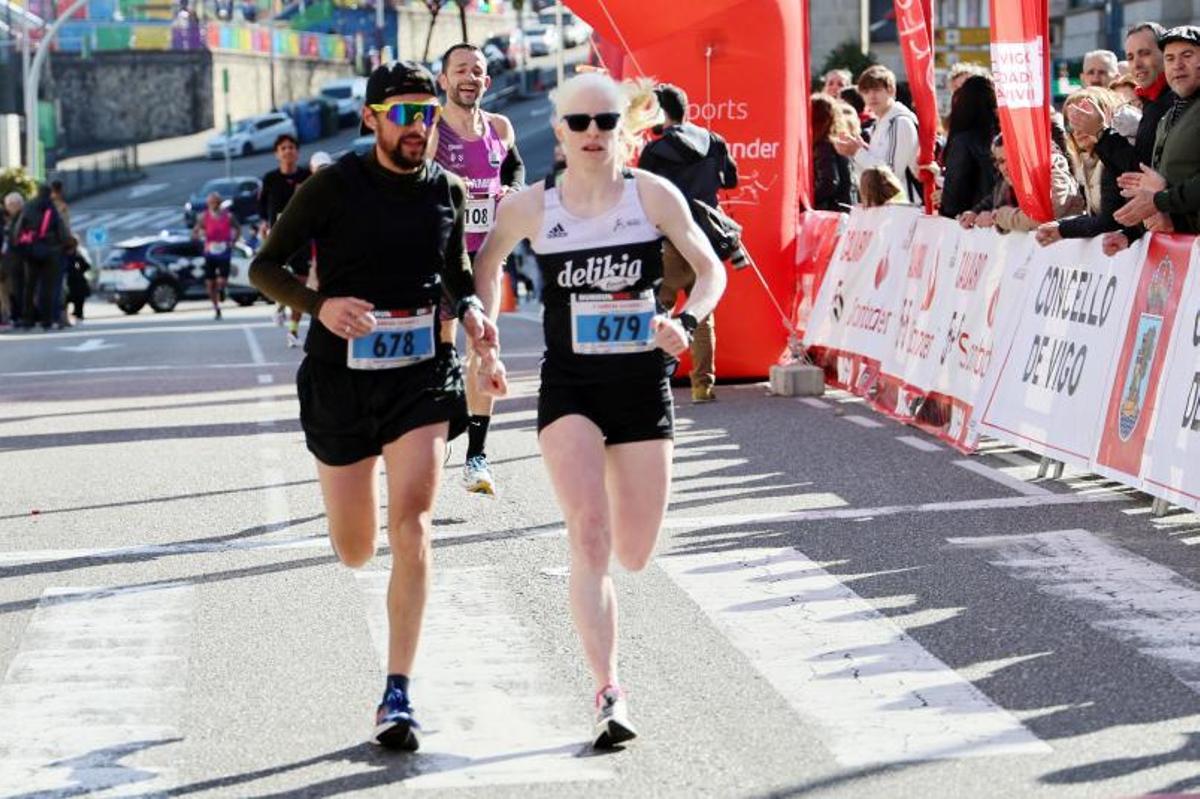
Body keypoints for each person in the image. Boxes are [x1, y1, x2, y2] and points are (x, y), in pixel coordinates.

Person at [249, 60, 504, 752]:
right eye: (404, 113)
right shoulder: (331, 188)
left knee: (413, 523)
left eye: (425, 111)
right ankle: (352, 539)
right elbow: (263, 266)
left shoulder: (446, 189)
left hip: (420, 375)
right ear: (371, 118)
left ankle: (397, 690)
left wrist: (475, 313)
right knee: (358, 546)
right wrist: (319, 305)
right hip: (340, 379)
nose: (418, 125)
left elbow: (456, 274)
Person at [472, 71, 726, 749]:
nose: (591, 134)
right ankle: (609, 689)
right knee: (589, 532)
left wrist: (687, 318)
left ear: (625, 128)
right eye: (578, 123)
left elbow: (710, 268)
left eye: (605, 123)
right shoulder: (533, 206)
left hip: (642, 387)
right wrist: (484, 330)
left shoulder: (651, 196)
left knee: (635, 551)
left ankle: (609, 646)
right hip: (572, 389)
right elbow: (485, 264)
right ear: (558, 132)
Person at [430, 42, 526, 496]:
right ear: (444, 80)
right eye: (460, 70)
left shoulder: (500, 127)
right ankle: (439, 431)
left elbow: (515, 169)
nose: (470, 77)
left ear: (487, 82)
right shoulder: (431, 128)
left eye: (478, 71)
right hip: (438, 260)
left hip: (485, 256)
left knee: (485, 348)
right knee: (441, 359)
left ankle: (477, 458)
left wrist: (509, 190)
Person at [637, 82, 737, 404]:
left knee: (657, 310)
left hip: (668, 241)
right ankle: (702, 387)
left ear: (659, 112)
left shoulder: (653, 152)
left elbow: (641, 197)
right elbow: (731, 180)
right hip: (705, 240)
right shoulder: (713, 141)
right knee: (702, 315)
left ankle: (653, 381)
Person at [1110, 25, 1200, 241]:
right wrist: (1132, 234)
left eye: (1187, 55)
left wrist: (1160, 199)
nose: (1177, 65)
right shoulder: (1166, 118)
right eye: (1169, 58)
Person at [834, 65, 923, 203]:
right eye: (866, 91)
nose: (871, 96)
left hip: (904, 208)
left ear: (891, 91)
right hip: (889, 207)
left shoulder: (900, 122)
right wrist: (860, 151)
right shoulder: (880, 122)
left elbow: (891, 175)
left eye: (877, 89)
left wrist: (858, 152)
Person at [259, 133, 312, 346]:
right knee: (279, 277)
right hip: (277, 237)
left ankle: (293, 330)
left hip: (301, 237)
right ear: (277, 154)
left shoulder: (307, 176)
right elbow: (262, 207)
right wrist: (263, 224)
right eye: (283, 148)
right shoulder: (270, 179)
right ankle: (281, 304)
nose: (288, 151)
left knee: (300, 283)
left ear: (297, 153)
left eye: (291, 147)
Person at [938, 75, 998, 219]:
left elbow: (953, 197)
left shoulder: (962, 141)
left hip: (970, 221)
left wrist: (945, 200)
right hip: (997, 218)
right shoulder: (1002, 137)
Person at [16, 184, 69, 331]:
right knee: (48, 287)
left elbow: (19, 228)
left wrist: (19, 245)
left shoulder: (28, 206)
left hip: (31, 250)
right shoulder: (51, 208)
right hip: (51, 251)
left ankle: (28, 319)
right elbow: (61, 230)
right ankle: (47, 319)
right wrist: (66, 245)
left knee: (29, 286)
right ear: (49, 194)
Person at [193, 191, 240, 320]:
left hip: (224, 251)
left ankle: (222, 290)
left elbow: (238, 229)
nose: (213, 204)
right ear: (208, 204)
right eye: (211, 202)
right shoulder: (203, 217)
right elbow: (195, 231)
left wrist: (233, 241)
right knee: (209, 283)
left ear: (219, 203)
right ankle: (216, 308)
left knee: (222, 280)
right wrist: (199, 236)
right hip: (210, 252)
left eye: (215, 202)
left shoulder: (228, 216)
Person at [811, 94, 852, 211]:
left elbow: (829, 182)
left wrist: (806, 201)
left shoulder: (823, 147)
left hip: (830, 212)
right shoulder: (835, 144)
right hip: (842, 211)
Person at [49, 180, 72, 328]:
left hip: (45, 250)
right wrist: (70, 243)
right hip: (58, 250)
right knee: (59, 285)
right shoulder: (60, 207)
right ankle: (59, 316)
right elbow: (65, 229)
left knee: (50, 285)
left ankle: (54, 316)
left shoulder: (43, 206)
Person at [63, 236, 90, 324]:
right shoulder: (77, 254)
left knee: (67, 300)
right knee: (77, 299)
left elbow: (86, 266)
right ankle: (78, 314)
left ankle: (74, 315)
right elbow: (86, 266)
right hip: (76, 281)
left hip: (69, 281)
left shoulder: (64, 255)